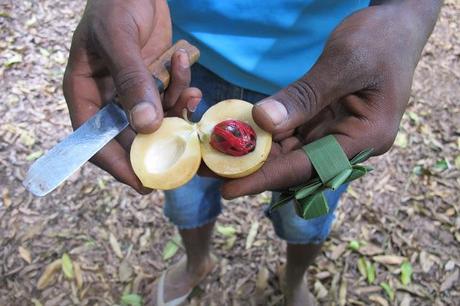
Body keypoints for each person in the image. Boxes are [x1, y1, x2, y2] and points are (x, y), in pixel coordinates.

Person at [63, 0, 441, 305]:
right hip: (185, 63)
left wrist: (407, 13)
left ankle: (294, 281)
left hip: (329, 76)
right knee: (185, 198)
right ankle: (197, 262)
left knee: (306, 215)